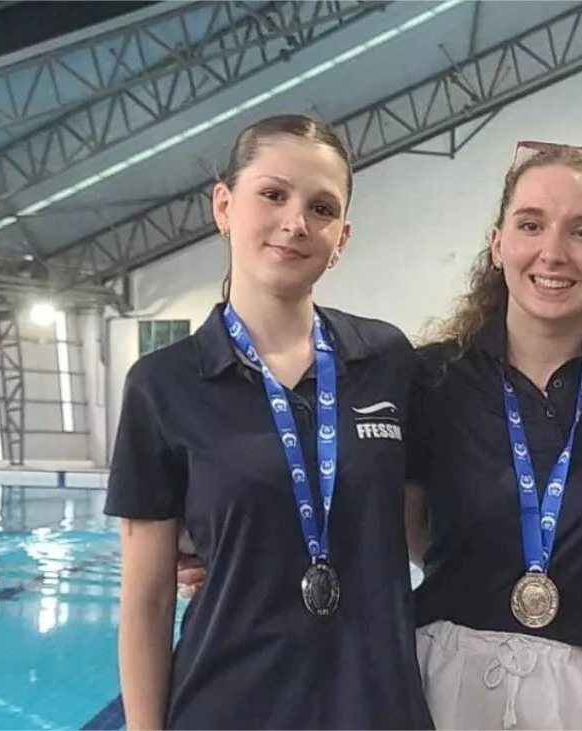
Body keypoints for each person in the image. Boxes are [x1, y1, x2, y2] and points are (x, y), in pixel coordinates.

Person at [107, 114, 433, 730]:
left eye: (322, 208)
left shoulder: (387, 360)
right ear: (224, 206)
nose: (295, 222)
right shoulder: (162, 386)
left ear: (342, 238)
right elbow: (146, 602)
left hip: (377, 709)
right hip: (227, 706)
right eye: (273, 194)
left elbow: (427, 530)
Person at [405, 142, 582, 730]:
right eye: (531, 225)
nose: (553, 253)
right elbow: (385, 517)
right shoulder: (431, 377)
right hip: (443, 679)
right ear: (498, 243)